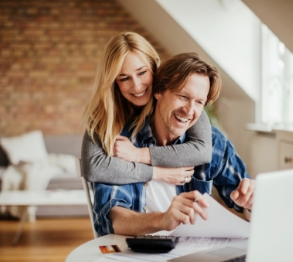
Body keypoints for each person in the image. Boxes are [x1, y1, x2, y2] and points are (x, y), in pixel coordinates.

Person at [93, 53, 255, 236]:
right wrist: (162, 219)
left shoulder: (213, 142)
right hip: (137, 253)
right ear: (158, 91)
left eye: (199, 102)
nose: (189, 111)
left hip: (194, 252)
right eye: (183, 96)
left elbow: (247, 205)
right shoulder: (122, 144)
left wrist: (251, 202)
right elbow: (114, 218)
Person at [81, 32, 216, 186]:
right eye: (124, 78)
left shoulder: (178, 99)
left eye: (142, 72)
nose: (137, 86)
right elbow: (93, 168)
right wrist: (157, 173)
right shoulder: (104, 113)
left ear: (154, 67)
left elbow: (202, 151)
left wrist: (138, 155)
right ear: (113, 82)